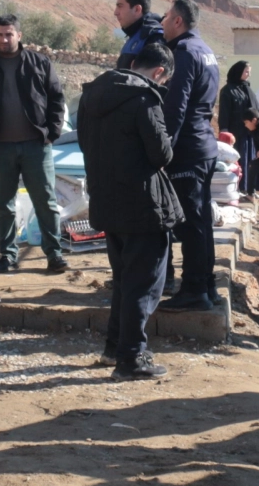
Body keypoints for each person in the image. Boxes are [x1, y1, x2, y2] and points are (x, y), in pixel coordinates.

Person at [78, 41, 182, 379]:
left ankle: (114, 346)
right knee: (144, 283)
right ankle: (132, 357)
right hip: (142, 204)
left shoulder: (92, 95)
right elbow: (161, 155)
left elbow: (83, 142)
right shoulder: (145, 99)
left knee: (124, 279)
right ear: (160, 72)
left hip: (106, 200)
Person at [0, 15, 70, 274]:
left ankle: (54, 254)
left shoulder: (39, 63)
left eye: (9, 34)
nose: (4, 39)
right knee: (4, 205)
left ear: (19, 35)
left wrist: (51, 133)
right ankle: (8, 255)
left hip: (37, 146)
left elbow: (57, 98)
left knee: (45, 201)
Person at [159, 0, 222, 311]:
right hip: (203, 145)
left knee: (192, 223)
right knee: (201, 220)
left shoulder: (183, 52)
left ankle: (195, 289)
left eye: (166, 17)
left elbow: (176, 105)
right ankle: (207, 286)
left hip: (188, 149)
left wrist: (164, 144)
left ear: (178, 21)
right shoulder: (205, 50)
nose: (162, 22)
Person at [219, 61, 259, 196]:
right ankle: (238, 187)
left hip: (251, 132)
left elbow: (257, 109)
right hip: (236, 132)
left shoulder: (248, 89)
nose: (248, 75)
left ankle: (251, 189)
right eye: (246, 71)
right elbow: (224, 112)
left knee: (252, 160)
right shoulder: (228, 90)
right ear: (238, 72)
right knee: (239, 159)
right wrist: (224, 130)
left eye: (249, 71)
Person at [112, 0, 164, 71]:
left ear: (137, 9)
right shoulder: (136, 33)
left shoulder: (153, 37)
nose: (115, 12)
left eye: (120, 6)